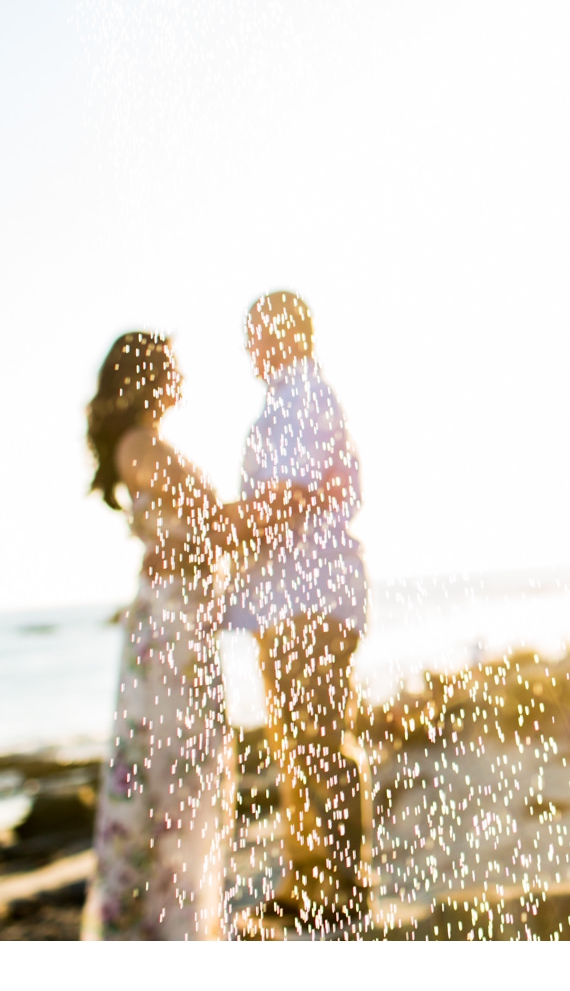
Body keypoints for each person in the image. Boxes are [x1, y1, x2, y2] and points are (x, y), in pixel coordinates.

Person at [81, 332, 299, 940]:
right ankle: (173, 932)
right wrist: (284, 504)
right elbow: (214, 527)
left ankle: (175, 926)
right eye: (172, 367)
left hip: (175, 630)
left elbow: (201, 531)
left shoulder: (140, 444)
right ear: (150, 376)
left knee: (175, 776)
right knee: (181, 777)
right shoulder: (144, 445)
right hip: (173, 635)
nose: (181, 377)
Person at [229, 291, 370, 932]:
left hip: (311, 599)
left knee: (315, 740)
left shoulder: (302, 397)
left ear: (289, 334)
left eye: (258, 333)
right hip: (293, 600)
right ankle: (306, 875)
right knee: (296, 740)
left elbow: (287, 498)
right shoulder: (290, 398)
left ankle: (340, 884)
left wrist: (217, 530)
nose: (251, 347)